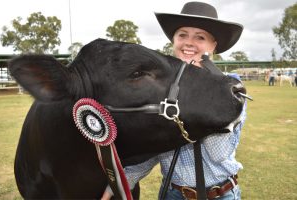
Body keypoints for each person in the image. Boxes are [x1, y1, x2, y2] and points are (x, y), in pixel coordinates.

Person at [102, 2, 246, 200]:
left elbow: (218, 153)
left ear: (213, 45)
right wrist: (115, 186)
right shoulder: (163, 90)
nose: (189, 42)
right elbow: (153, 148)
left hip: (220, 194)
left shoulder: (232, 89)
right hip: (174, 193)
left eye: (200, 37)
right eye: (182, 35)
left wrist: (212, 90)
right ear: (174, 40)